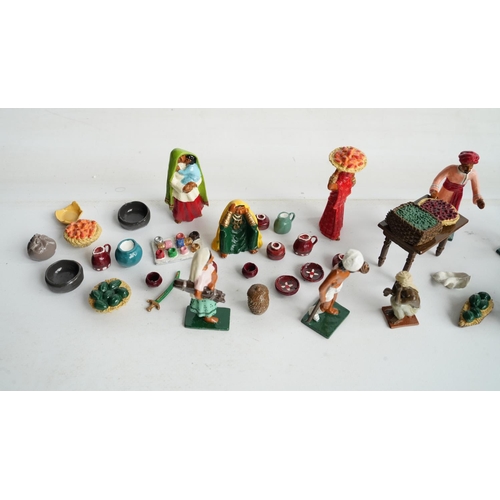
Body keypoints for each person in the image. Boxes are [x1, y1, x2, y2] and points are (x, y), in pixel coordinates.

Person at [319, 147, 367, 241]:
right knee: (335, 214)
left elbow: (330, 186)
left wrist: (336, 172)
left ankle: (333, 232)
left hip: (337, 200)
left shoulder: (342, 181)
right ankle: (331, 230)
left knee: (334, 214)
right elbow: (351, 183)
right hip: (338, 200)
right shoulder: (348, 179)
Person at [309, 249, 369, 321]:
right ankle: (313, 311)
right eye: (358, 269)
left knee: (334, 298)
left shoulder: (347, 269)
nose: (358, 270)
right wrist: (322, 297)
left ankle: (329, 308)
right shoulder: (336, 273)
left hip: (337, 286)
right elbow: (322, 288)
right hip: (329, 289)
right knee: (325, 306)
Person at [166, 149, 208, 223]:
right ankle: (179, 217)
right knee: (181, 207)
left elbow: (199, 177)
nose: (181, 158)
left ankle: (196, 213)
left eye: (183, 156)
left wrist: (194, 184)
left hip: (192, 190)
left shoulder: (192, 166)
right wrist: (182, 187)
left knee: (194, 205)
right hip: (181, 192)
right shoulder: (174, 168)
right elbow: (172, 181)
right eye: (179, 157)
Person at [189, 247, 219, 324]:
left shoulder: (210, 266)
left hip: (209, 291)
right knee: (207, 307)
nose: (213, 258)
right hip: (204, 296)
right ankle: (208, 317)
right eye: (211, 257)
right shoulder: (201, 276)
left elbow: (214, 274)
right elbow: (197, 292)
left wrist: (212, 283)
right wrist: (201, 298)